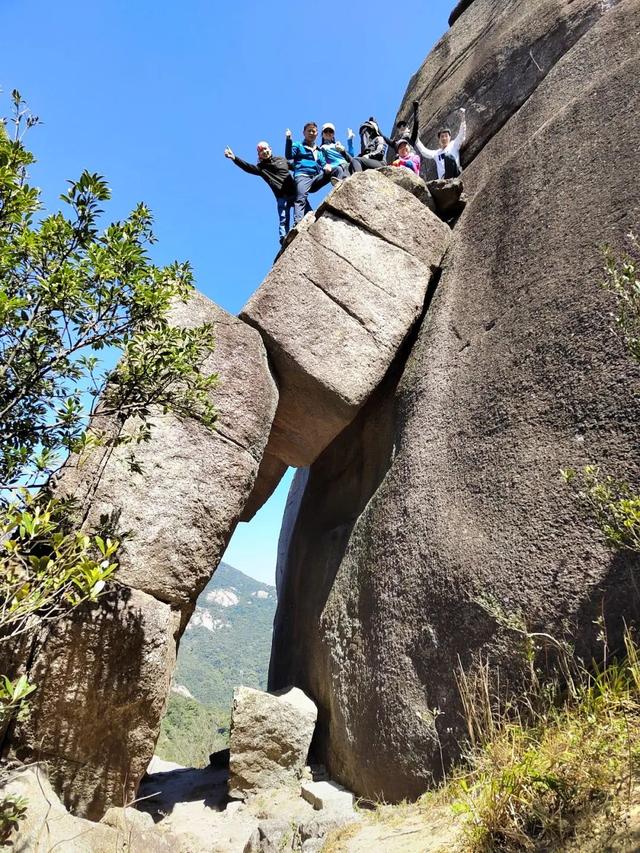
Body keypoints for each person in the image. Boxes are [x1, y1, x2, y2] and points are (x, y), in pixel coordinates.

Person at [224, 141, 296, 245]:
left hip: (294, 192)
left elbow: (296, 167)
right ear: (259, 155)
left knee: (303, 208)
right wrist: (234, 158)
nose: (265, 152)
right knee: (283, 219)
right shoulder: (261, 168)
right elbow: (248, 167)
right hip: (281, 197)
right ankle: (283, 239)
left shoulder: (281, 159)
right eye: (261, 151)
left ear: (270, 149)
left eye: (266, 149)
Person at [285, 122, 332, 225]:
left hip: (315, 178)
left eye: (314, 131)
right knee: (301, 198)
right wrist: (288, 140)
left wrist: (327, 167)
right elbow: (289, 156)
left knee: (335, 170)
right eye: (309, 131)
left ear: (317, 133)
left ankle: (339, 184)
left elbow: (323, 163)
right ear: (304, 133)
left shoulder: (318, 150)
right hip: (302, 176)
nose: (311, 133)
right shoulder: (298, 145)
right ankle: (298, 222)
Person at [415, 108, 466, 179]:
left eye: (446, 136)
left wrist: (463, 118)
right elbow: (424, 151)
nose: (444, 138)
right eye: (442, 136)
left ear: (450, 137)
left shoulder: (454, 144)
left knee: (448, 156)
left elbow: (461, 135)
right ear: (439, 139)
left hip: (455, 172)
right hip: (444, 178)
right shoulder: (436, 153)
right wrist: (416, 139)